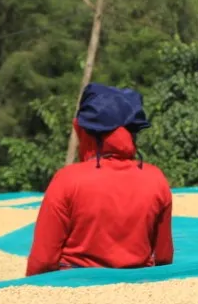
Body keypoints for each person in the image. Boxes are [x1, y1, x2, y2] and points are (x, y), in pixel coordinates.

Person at [26, 84, 174, 276]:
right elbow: (164, 258)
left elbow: (42, 260)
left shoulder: (67, 180)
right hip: (137, 286)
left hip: (75, 285)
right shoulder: (156, 179)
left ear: (83, 131)